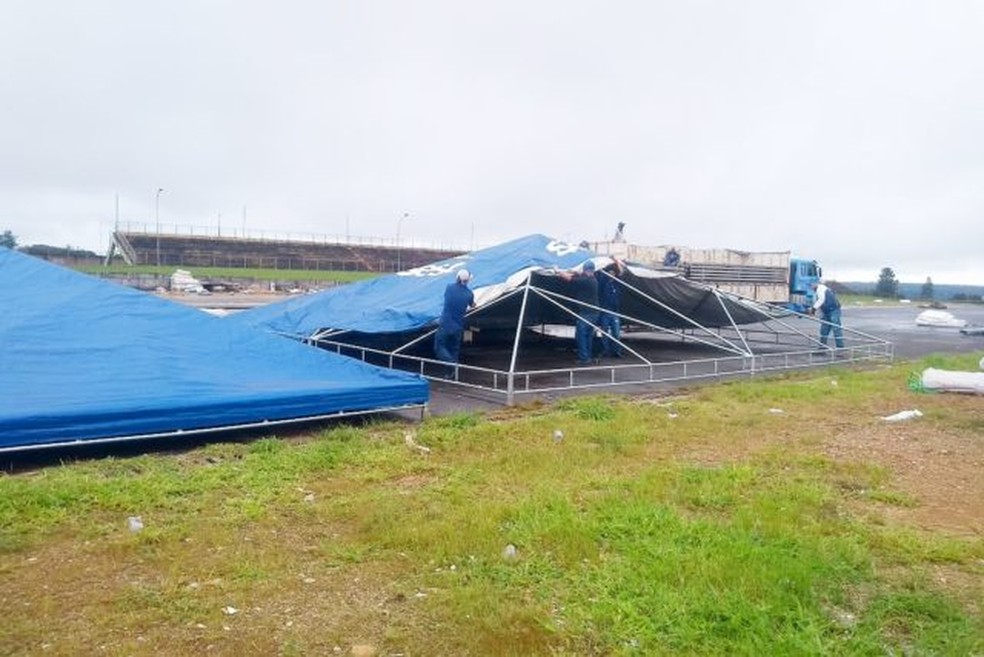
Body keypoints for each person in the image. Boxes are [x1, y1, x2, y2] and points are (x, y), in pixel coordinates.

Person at [434, 268, 475, 376]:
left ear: (457, 277)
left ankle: (451, 365)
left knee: (439, 347)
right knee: (454, 349)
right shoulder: (469, 294)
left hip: (446, 324)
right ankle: (451, 374)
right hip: (458, 326)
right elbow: (472, 305)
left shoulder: (449, 287)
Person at [558, 260, 600, 365]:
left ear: (585, 270)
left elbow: (569, 278)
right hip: (594, 313)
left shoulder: (586, 281)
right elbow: (579, 275)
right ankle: (588, 356)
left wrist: (557, 271)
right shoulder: (593, 279)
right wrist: (574, 271)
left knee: (581, 335)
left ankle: (584, 358)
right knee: (588, 336)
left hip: (587, 313)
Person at [596, 257, 626, 357]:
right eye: (610, 273)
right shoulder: (603, 283)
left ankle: (616, 351)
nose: (612, 275)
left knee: (616, 334)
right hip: (605, 311)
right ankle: (606, 351)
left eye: (613, 273)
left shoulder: (617, 283)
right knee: (605, 333)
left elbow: (621, 272)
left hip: (614, 312)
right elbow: (599, 272)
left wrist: (617, 261)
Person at [810, 281, 844, 348]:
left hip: (833, 310)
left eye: (812, 285)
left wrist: (813, 309)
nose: (811, 287)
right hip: (826, 311)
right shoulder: (819, 290)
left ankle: (840, 347)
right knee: (824, 329)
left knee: (836, 328)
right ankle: (822, 347)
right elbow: (820, 303)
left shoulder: (821, 289)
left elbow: (821, 300)